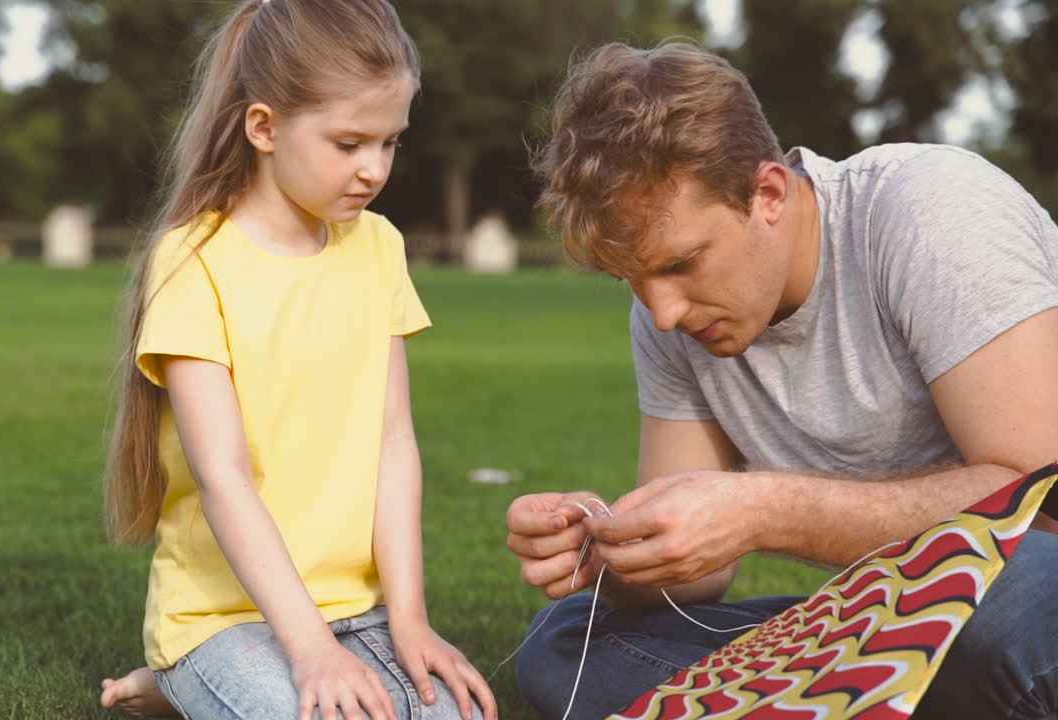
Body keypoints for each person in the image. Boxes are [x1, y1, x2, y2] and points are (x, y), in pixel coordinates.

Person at [506, 41, 1058, 720]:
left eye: (682, 263)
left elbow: (1040, 497)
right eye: (632, 279)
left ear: (768, 191)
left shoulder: (928, 211)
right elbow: (699, 576)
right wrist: (611, 549)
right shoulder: (667, 317)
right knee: (571, 643)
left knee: (1017, 599)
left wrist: (762, 510)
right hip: (902, 616)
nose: (663, 311)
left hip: (1031, 584)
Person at [95, 2, 497, 718]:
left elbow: (394, 442)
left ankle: (184, 696)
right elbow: (223, 478)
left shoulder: (379, 249)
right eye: (348, 143)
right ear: (264, 128)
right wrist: (311, 651)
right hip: (226, 619)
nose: (373, 169)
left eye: (390, 142)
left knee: (458, 713)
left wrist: (408, 617)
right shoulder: (193, 262)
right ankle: (182, 677)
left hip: (360, 611)